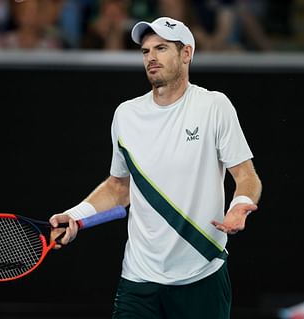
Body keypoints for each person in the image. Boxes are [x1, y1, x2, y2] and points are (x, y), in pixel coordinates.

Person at [49, 16, 262, 319]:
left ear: (186, 54)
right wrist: (74, 216)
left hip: (201, 274)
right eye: (146, 51)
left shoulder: (214, 106)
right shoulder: (126, 115)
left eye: (161, 48)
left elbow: (246, 176)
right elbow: (118, 187)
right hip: (139, 279)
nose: (151, 57)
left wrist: (240, 205)